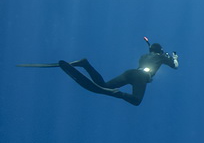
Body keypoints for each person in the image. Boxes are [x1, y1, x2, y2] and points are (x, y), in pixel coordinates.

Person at [18, 38, 179, 106]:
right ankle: (116, 93)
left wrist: (156, 50)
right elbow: (175, 66)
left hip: (131, 72)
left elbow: (152, 55)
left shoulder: (145, 55)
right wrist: (174, 57)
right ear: (160, 51)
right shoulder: (161, 57)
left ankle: (85, 64)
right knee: (136, 100)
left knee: (102, 85)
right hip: (142, 76)